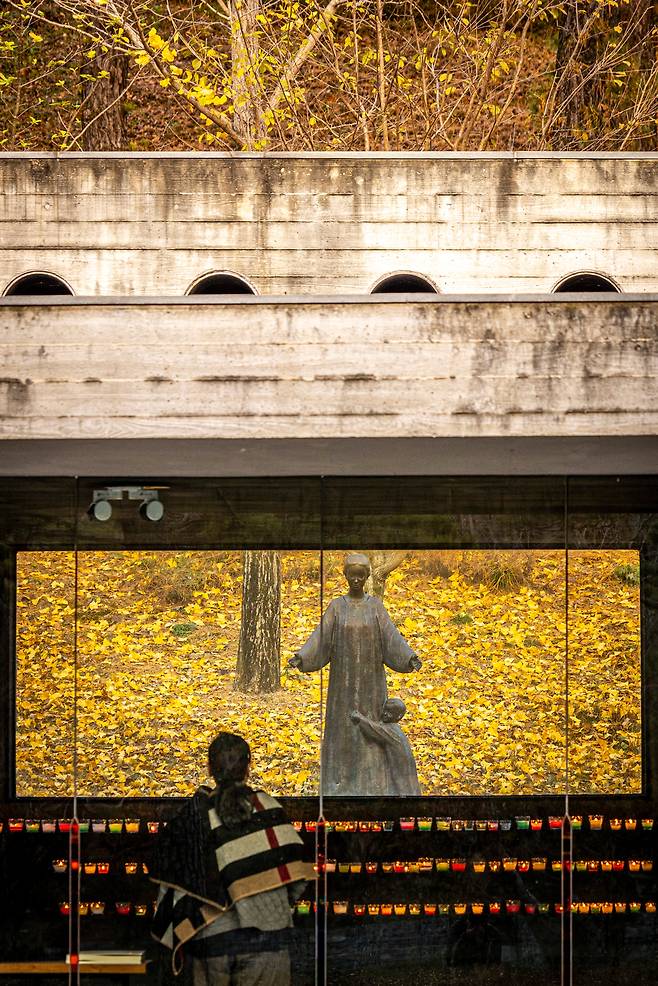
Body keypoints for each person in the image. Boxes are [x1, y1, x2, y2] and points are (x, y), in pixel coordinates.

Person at [151, 732, 314, 984]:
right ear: (249, 768)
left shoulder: (193, 818)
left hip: (210, 941)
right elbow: (297, 873)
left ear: (209, 768)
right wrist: (271, 900)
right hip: (268, 939)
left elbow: (173, 887)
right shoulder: (268, 807)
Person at [289, 552, 421, 796]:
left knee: (371, 735)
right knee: (345, 733)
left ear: (367, 576)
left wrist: (409, 657)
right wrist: (303, 657)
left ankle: (373, 787)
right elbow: (321, 638)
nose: (357, 580)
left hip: (372, 685)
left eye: (361, 575)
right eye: (352, 575)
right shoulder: (336, 607)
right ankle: (340, 786)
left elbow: (392, 638)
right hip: (343, 687)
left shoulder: (376, 608)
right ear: (346, 576)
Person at [350, 698, 421, 796]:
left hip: (402, 772)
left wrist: (360, 718)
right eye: (385, 710)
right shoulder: (393, 728)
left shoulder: (393, 731)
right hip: (401, 772)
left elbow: (376, 730)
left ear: (399, 716)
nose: (385, 714)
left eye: (390, 713)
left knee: (404, 790)